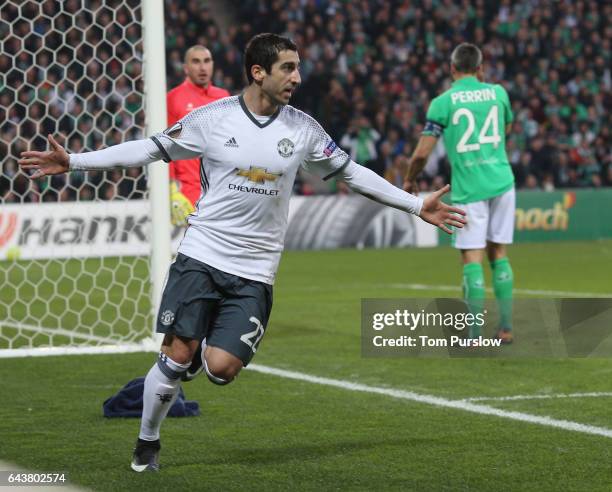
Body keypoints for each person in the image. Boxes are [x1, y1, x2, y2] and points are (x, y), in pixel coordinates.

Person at [19, 33, 466, 472]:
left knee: (221, 369)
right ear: (258, 72)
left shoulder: (304, 128)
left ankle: (193, 354)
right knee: (176, 356)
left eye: (298, 66)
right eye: (287, 68)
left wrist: (414, 204)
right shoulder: (213, 119)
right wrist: (75, 162)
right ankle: (147, 442)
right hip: (203, 253)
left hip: (255, 270)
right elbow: (149, 149)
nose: (297, 76)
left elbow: (352, 173)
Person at [404, 43, 514, 343]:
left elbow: (421, 154)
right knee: (499, 254)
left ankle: (475, 333)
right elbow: (508, 127)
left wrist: (410, 179)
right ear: (481, 69)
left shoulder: (443, 102)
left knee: (472, 259)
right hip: (503, 181)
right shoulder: (499, 93)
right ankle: (505, 328)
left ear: (452, 69)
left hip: (469, 188)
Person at [167, 45, 230, 225]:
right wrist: (171, 189)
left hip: (222, 187)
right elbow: (164, 146)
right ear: (186, 68)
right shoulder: (173, 98)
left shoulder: (223, 97)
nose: (202, 67)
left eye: (206, 61)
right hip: (189, 190)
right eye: (196, 62)